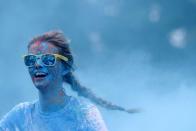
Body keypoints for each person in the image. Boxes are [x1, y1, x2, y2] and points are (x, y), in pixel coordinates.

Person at [0, 30, 138, 131]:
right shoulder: (20, 115)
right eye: (31, 60)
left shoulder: (84, 114)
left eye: (48, 59)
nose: (37, 65)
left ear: (65, 67)